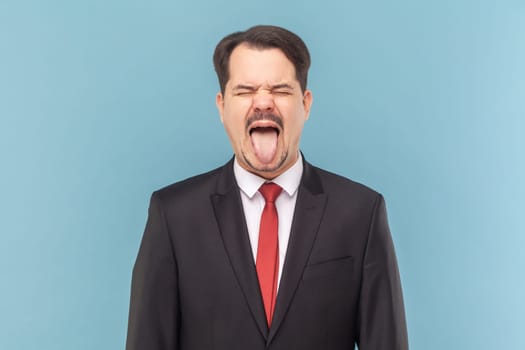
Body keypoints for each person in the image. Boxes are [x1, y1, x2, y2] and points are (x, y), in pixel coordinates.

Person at [125, 25, 409, 350]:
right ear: (221, 106)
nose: (263, 102)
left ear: (306, 103)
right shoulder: (173, 215)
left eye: (281, 90)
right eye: (245, 90)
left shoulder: (362, 213)